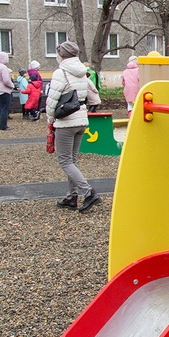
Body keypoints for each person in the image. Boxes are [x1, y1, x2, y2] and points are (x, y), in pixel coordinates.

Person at [45, 41, 102, 213]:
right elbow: (94, 94)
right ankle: (71, 196)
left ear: (61, 55)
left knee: (65, 160)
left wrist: (50, 119)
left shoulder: (60, 72)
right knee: (72, 159)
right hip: (81, 118)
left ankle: (88, 192)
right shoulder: (83, 72)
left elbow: (52, 99)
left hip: (66, 121)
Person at [0, 51, 15, 131]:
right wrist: (12, 86)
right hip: (3, 90)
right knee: (5, 108)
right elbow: (6, 80)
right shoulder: (3, 67)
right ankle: (3, 125)